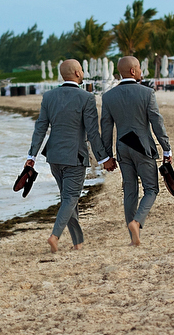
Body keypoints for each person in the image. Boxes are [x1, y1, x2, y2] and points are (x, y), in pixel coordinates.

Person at [22, 59, 110, 253]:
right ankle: (55, 236)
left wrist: (32, 155)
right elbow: (93, 133)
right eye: (81, 70)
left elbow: (40, 128)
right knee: (70, 198)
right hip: (75, 156)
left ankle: (78, 242)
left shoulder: (49, 96)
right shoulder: (86, 98)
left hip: (53, 156)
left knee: (68, 199)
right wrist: (104, 158)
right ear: (78, 73)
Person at [99, 56, 173, 247]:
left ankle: (134, 238)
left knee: (129, 191)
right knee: (151, 189)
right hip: (142, 146)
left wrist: (107, 156)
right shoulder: (147, 93)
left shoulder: (108, 96)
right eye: (139, 68)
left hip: (123, 146)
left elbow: (106, 128)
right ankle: (136, 222)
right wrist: (166, 148)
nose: (141, 71)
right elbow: (157, 122)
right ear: (133, 71)